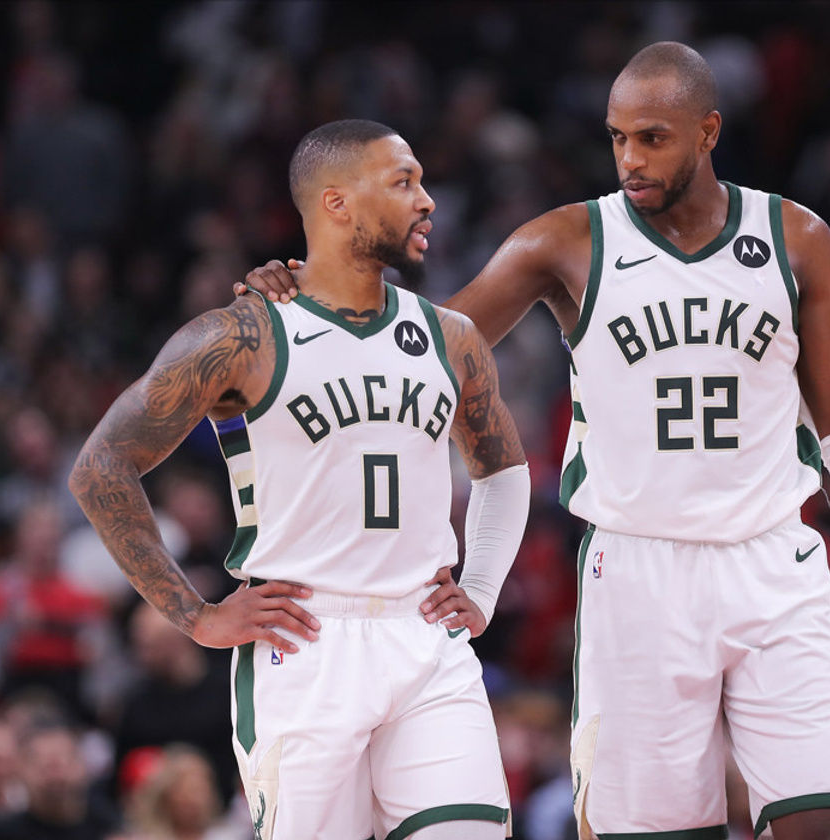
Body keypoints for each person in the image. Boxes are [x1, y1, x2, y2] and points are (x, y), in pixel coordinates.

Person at [240, 43, 830, 840]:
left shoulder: (796, 238)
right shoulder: (566, 242)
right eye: (617, 138)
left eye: (652, 137)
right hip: (639, 571)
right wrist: (304, 297)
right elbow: (417, 353)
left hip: (773, 560)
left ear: (708, 131)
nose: (630, 158)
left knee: (824, 819)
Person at [70, 119, 530, 839]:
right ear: (337, 203)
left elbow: (503, 468)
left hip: (426, 639)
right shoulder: (240, 336)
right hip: (305, 643)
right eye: (404, 182)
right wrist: (196, 615)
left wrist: (481, 587)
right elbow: (100, 468)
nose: (428, 200)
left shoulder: (451, 336)